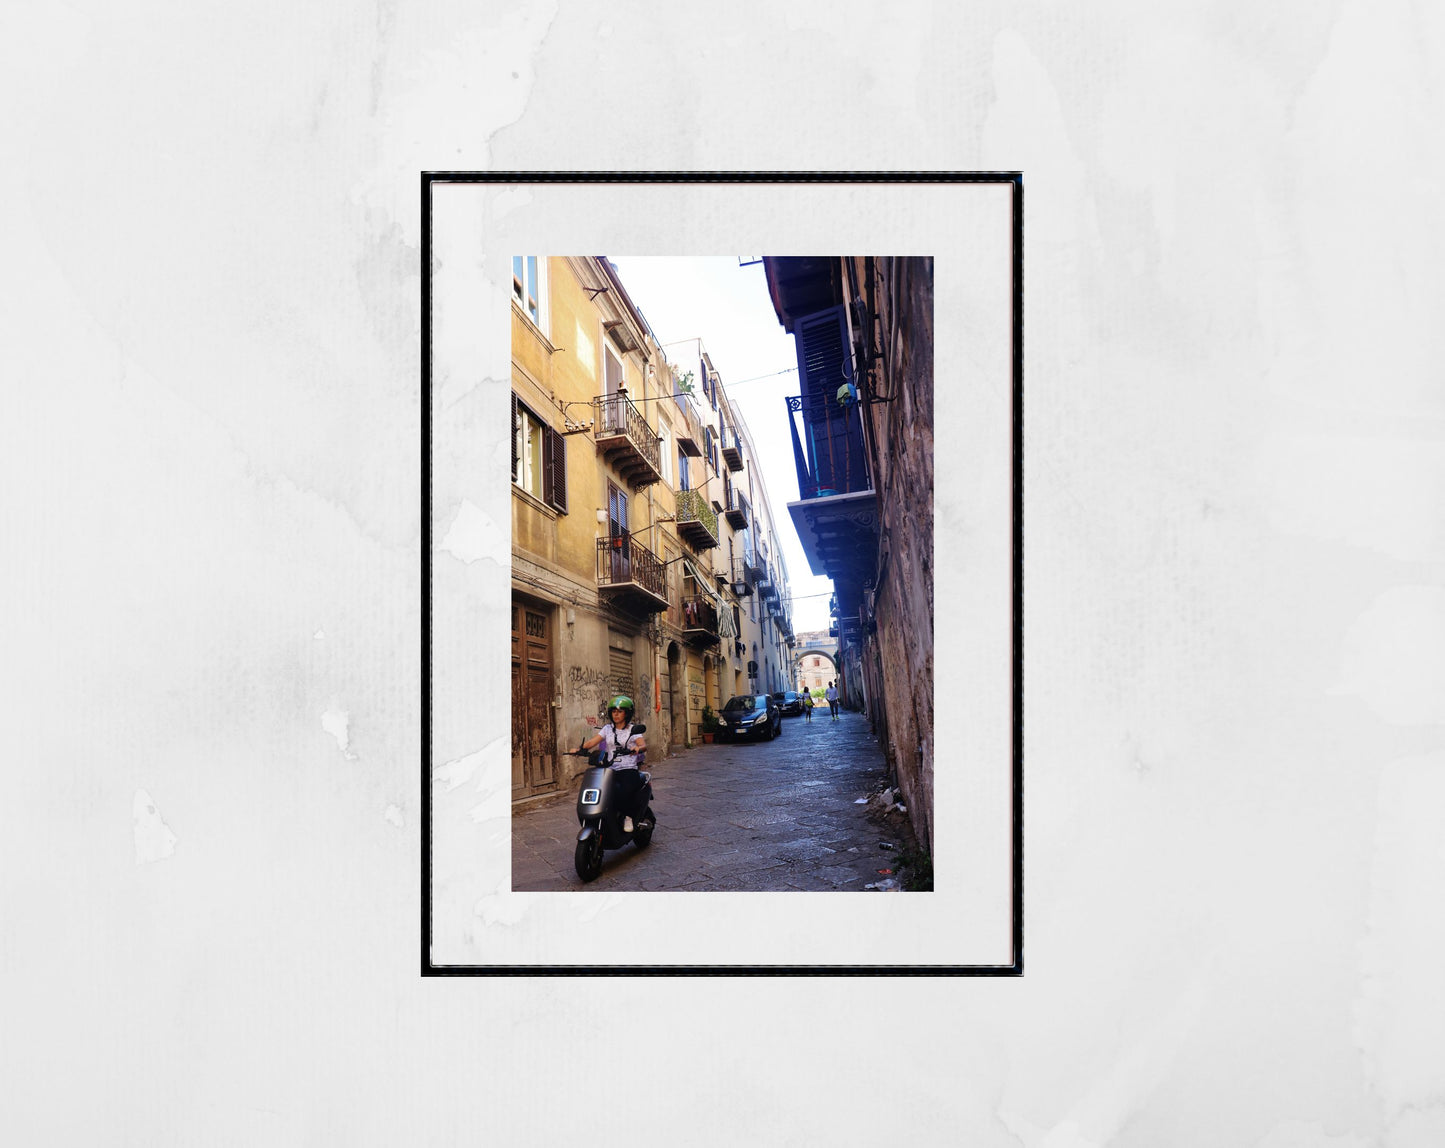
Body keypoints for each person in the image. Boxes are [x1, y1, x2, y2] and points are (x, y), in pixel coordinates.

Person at [581, 695, 649, 831]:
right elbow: (592, 742)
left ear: (627, 713)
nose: (616, 714)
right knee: (600, 791)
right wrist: (579, 749)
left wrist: (637, 748)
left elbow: (643, 746)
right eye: (613, 711)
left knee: (623, 791)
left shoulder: (632, 730)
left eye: (620, 711)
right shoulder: (607, 729)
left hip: (628, 768)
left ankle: (628, 817)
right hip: (610, 768)